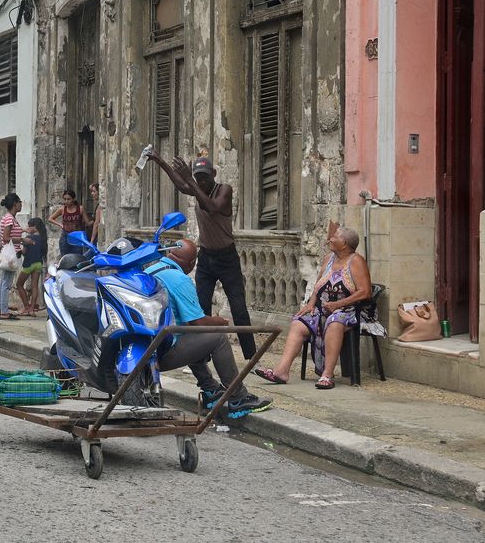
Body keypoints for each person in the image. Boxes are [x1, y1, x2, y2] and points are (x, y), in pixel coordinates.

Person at [145, 238, 272, 418]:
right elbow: (198, 322)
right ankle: (238, 398)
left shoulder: (151, 269)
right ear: (192, 263)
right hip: (163, 351)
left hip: (149, 345)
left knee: (190, 335)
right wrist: (219, 322)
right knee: (217, 338)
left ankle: (211, 390)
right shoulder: (179, 279)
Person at [149, 151, 256, 360]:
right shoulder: (197, 188)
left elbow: (213, 207)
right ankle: (202, 354)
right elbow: (181, 185)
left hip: (227, 258)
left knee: (239, 308)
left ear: (214, 174)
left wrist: (190, 179)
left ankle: (251, 355)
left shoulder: (224, 190)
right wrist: (161, 161)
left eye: (205, 177)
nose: (201, 182)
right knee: (200, 306)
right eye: (198, 178)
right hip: (206, 257)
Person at [254, 226, 385, 389]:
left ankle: (327, 375)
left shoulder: (356, 261)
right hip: (323, 308)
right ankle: (281, 372)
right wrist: (310, 304)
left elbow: (365, 292)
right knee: (298, 323)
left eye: (335, 237)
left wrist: (338, 304)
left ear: (344, 243)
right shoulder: (329, 258)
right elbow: (318, 284)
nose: (330, 239)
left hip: (349, 311)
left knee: (334, 322)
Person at [0, 193, 33, 320]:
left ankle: (0, 309)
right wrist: (23, 240)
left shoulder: (8, 218)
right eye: (20, 202)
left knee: (3, 282)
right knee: (6, 283)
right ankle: (4, 312)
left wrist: (23, 231)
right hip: (10, 255)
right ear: (15, 204)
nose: (21, 204)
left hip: (8, 254)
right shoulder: (10, 219)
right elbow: (6, 238)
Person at [16, 217, 47, 316]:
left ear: (35, 227)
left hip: (29, 264)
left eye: (30, 226)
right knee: (35, 286)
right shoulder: (43, 238)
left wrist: (21, 250)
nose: (28, 228)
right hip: (38, 264)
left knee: (19, 284)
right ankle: (32, 309)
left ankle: (26, 307)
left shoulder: (29, 238)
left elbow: (24, 252)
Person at [48, 189, 90, 256]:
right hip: (65, 237)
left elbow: (88, 223)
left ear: (73, 199)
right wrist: (60, 225)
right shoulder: (62, 209)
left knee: (77, 257)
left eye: (68, 199)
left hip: (77, 237)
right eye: (65, 199)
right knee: (64, 257)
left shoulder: (80, 209)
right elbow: (50, 218)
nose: (66, 201)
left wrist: (95, 221)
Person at [88, 183, 103, 247]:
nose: (92, 194)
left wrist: (92, 240)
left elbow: (96, 223)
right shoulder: (99, 205)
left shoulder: (100, 207)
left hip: (98, 237)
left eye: (94, 191)